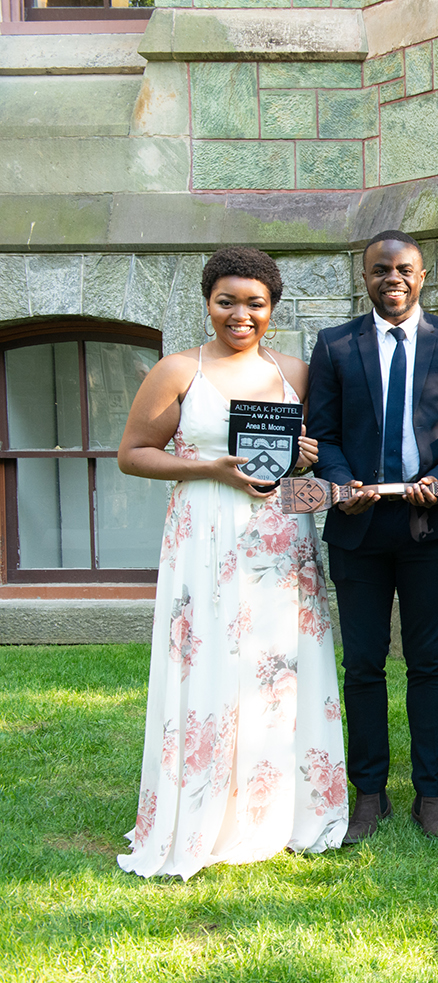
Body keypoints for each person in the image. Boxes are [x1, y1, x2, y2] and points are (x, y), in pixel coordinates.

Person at [116, 247, 347, 878]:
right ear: (208, 302)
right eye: (227, 301)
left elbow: (312, 473)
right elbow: (133, 453)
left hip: (280, 541)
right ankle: (206, 809)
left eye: (255, 303)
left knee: (279, 669)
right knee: (214, 660)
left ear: (272, 308)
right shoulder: (178, 370)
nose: (240, 314)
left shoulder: (295, 373)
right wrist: (206, 467)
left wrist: (305, 463)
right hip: (206, 537)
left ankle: (285, 810)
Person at [306, 230, 438, 843]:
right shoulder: (334, 345)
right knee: (361, 664)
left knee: (427, 662)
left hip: (427, 524)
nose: (393, 277)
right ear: (365, 276)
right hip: (356, 527)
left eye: (404, 268)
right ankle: (369, 795)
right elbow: (323, 433)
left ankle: (431, 798)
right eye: (381, 268)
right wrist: (339, 481)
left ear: (422, 274)